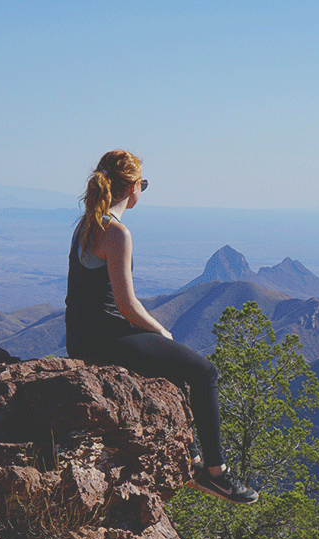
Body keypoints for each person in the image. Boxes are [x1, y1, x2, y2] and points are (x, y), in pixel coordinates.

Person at [65, 149, 258, 504]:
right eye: (144, 184)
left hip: (80, 338)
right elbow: (126, 304)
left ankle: (194, 457)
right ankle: (217, 474)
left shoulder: (87, 224)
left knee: (171, 367)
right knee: (204, 372)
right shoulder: (116, 232)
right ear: (134, 187)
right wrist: (160, 331)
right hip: (106, 338)